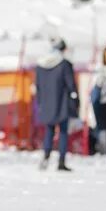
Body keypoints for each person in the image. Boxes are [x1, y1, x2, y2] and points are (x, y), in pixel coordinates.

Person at [34, 38, 78, 171]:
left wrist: (41, 102)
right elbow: (71, 85)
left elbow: (38, 87)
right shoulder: (64, 64)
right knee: (63, 132)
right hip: (62, 102)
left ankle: (46, 157)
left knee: (49, 131)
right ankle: (61, 161)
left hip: (47, 103)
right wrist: (76, 101)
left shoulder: (40, 65)